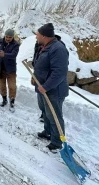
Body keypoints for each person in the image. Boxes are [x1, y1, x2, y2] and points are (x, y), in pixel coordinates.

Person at [33, 23, 69, 152]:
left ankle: (57, 141)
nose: (36, 37)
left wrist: (46, 86)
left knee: (54, 116)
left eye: (37, 35)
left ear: (44, 35)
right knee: (46, 112)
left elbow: (59, 72)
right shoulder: (43, 46)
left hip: (54, 90)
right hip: (43, 87)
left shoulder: (57, 49)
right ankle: (48, 132)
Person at [0, 29, 20, 110]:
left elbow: (13, 55)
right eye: (7, 36)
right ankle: (4, 100)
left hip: (11, 69)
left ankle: (12, 101)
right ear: (5, 35)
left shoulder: (15, 44)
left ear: (13, 37)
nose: (8, 38)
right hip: (0, 68)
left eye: (10, 37)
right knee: (1, 86)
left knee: (12, 86)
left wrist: (4, 54)